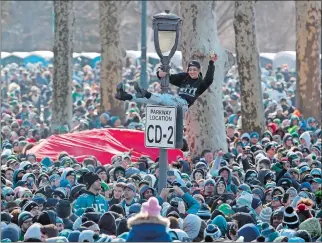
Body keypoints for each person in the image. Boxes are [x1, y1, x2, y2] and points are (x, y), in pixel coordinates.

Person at [115, 54, 218, 114]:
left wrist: (211, 63)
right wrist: (160, 73)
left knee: (164, 97)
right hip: (174, 102)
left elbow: (209, 79)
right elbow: (168, 77)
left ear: (199, 70)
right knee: (151, 101)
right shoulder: (184, 77)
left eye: (194, 70)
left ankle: (146, 93)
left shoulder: (201, 84)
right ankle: (126, 96)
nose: (192, 72)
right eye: (190, 69)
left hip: (183, 106)